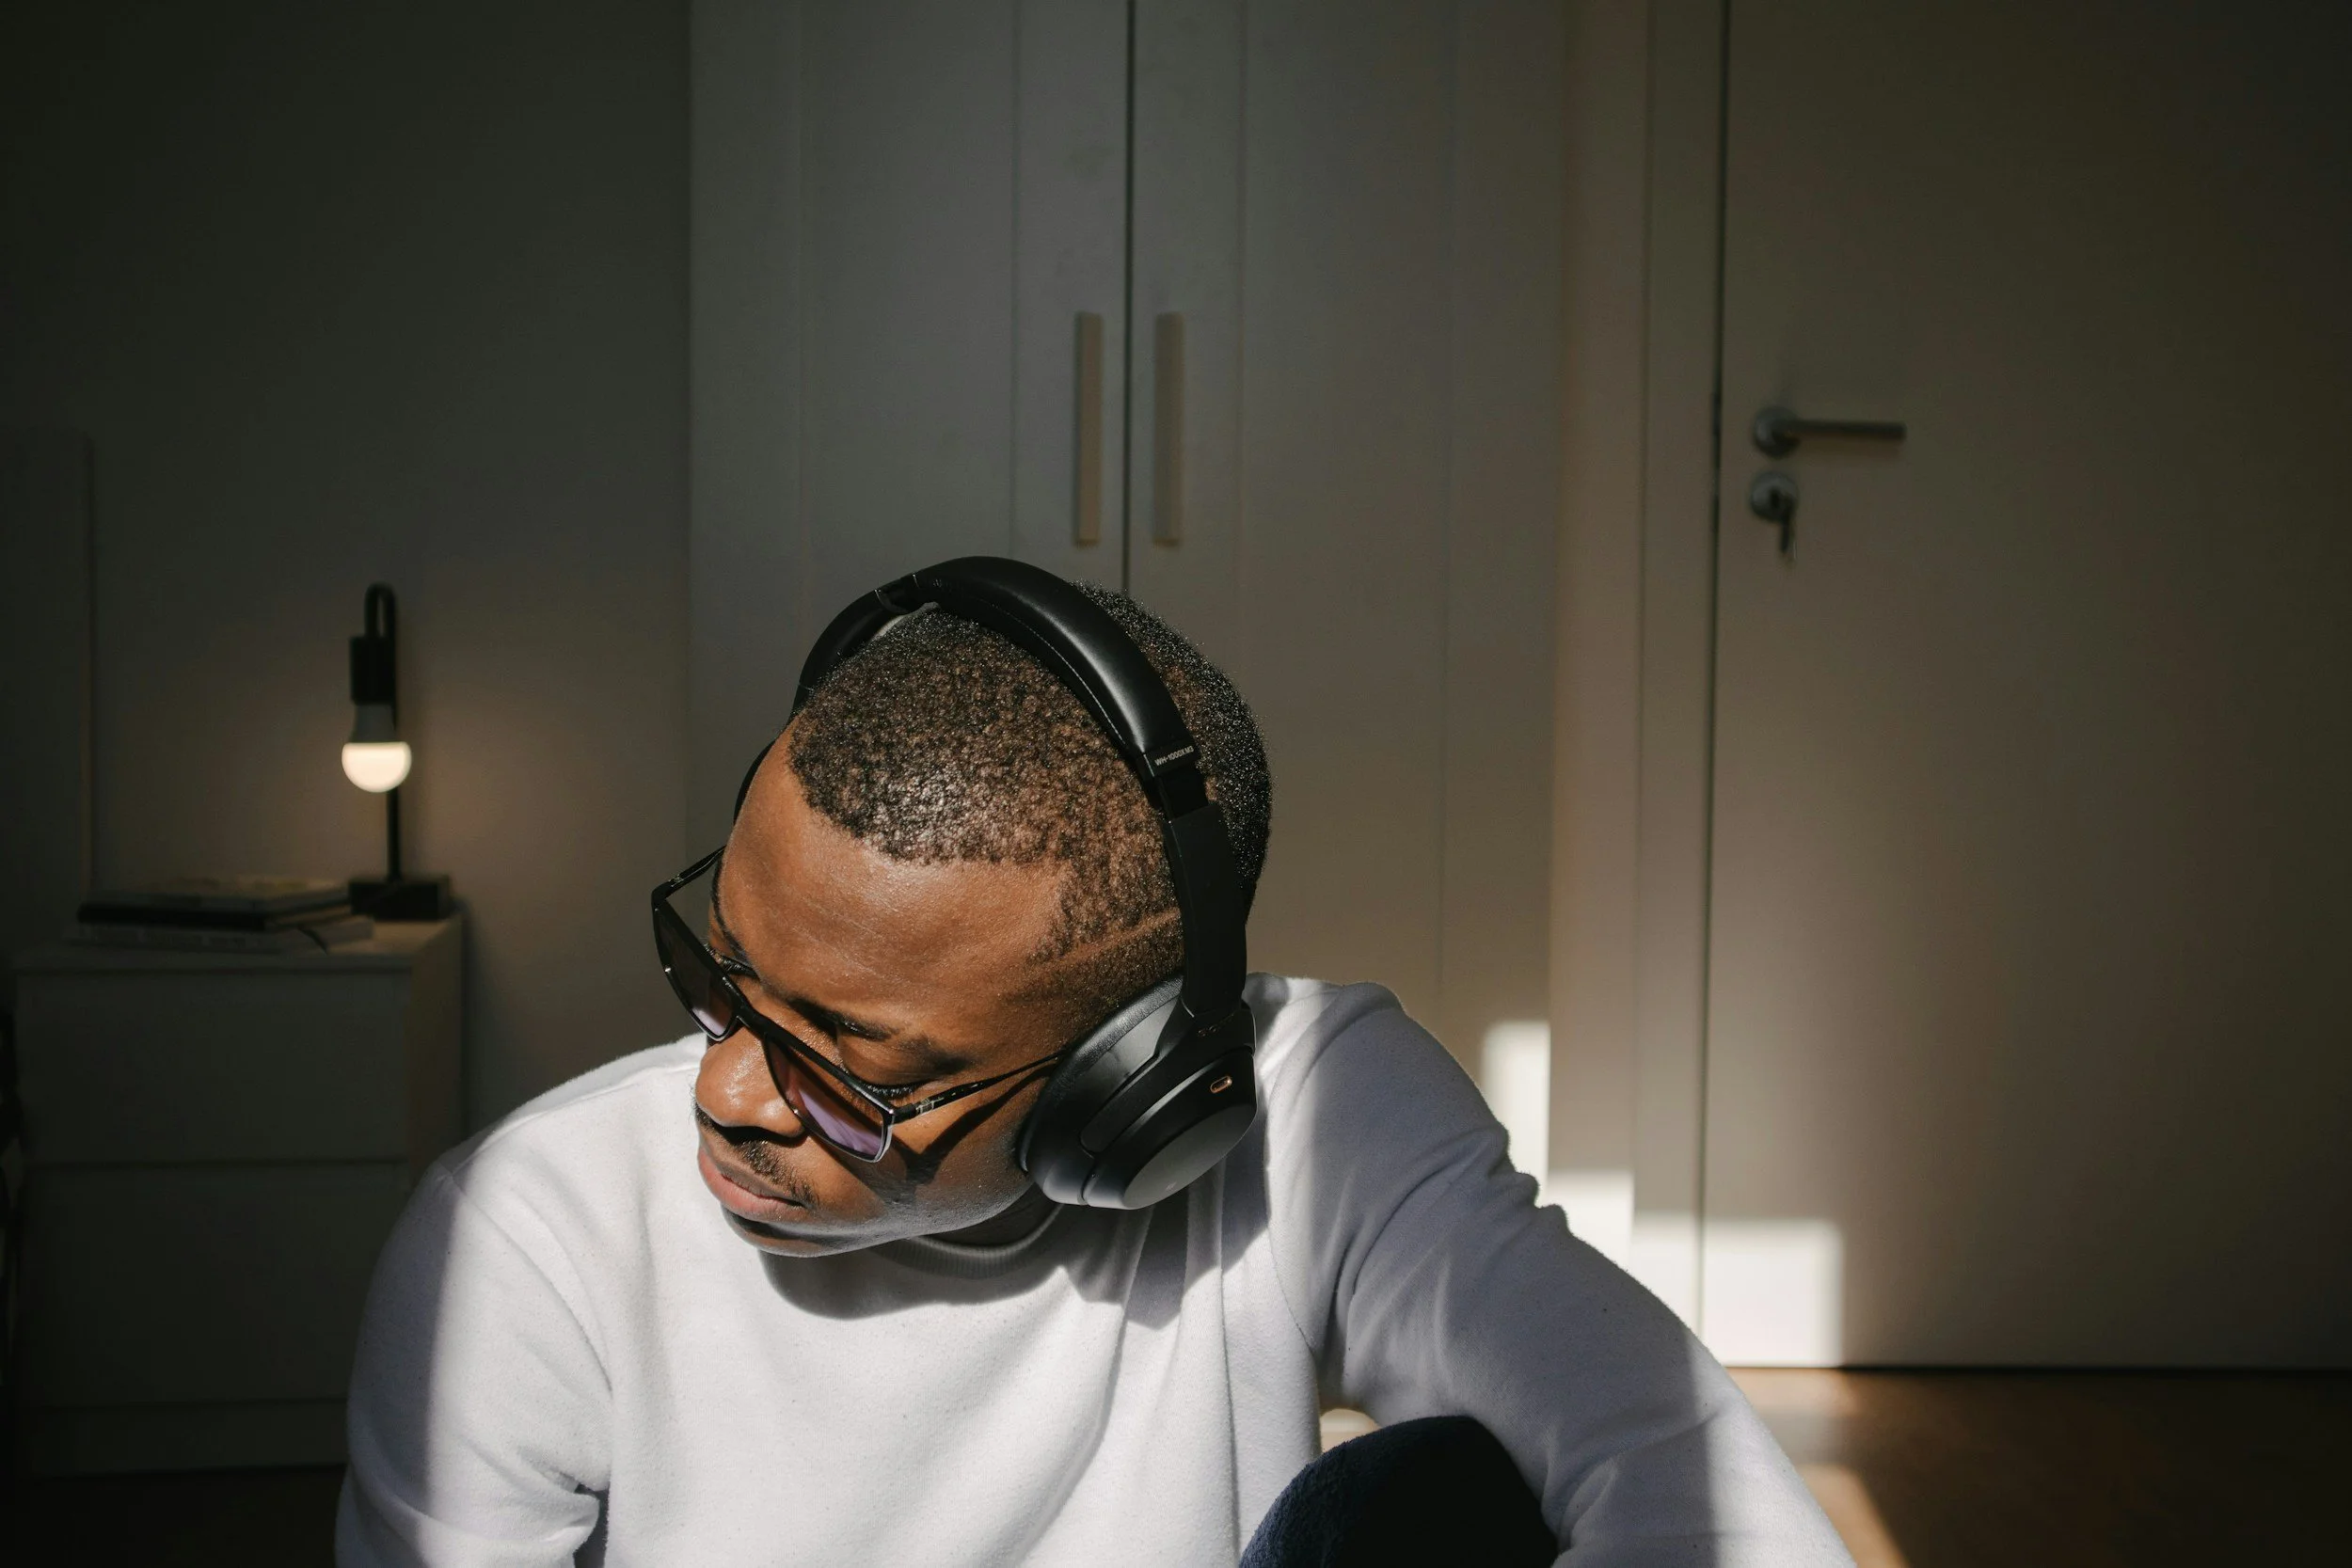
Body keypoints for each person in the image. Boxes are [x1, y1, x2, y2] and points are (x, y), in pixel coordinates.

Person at [338, 561, 1848, 1567]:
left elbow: (1695, 1484)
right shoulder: (530, 1234)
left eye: (850, 1068)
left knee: (1425, 1506)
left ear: (1130, 1087)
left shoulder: (1318, 1108)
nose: (724, 1092)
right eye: (721, 974)